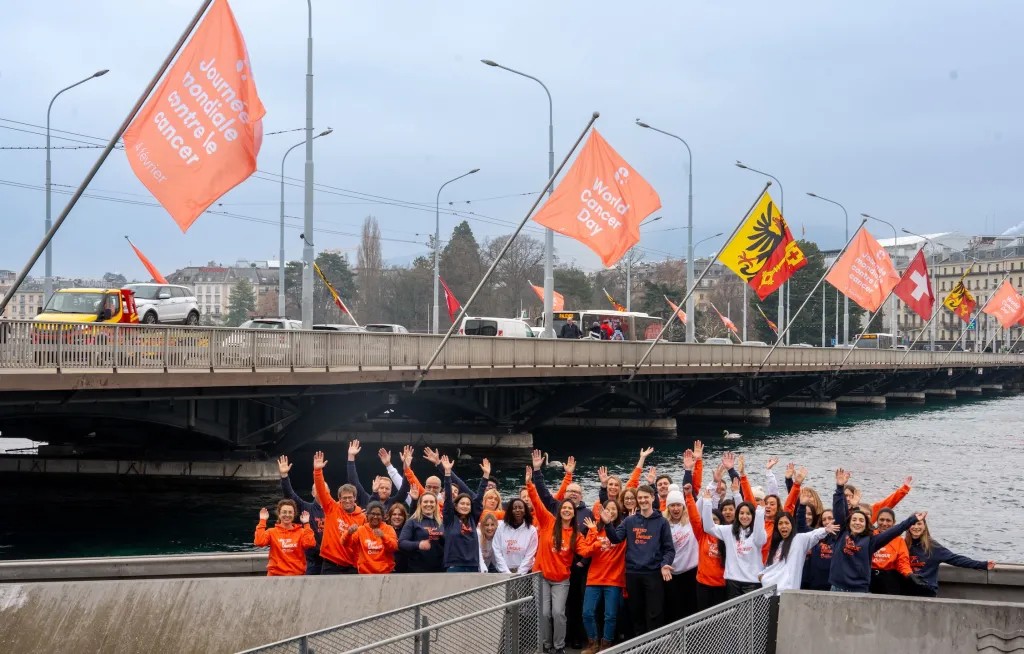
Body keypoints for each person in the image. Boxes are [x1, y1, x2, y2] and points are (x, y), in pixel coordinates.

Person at [829, 468, 922, 593]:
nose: (857, 522)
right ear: (849, 522)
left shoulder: (871, 540)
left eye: (862, 520)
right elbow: (839, 512)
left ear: (869, 521)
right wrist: (839, 487)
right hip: (838, 586)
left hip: (859, 589)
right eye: (854, 520)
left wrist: (912, 519)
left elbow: (893, 530)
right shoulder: (842, 532)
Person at [602, 485, 674, 636]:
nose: (642, 500)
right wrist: (608, 525)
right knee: (636, 612)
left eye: (645, 497)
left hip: (653, 573)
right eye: (640, 498)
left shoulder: (662, 522)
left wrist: (665, 564)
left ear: (652, 498)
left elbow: (669, 549)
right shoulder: (630, 521)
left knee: (654, 612)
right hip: (633, 573)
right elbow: (615, 538)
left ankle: (654, 646)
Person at [525, 466, 583, 654]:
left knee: (558, 613)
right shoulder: (548, 522)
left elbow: (587, 550)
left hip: (561, 580)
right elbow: (538, 502)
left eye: (570, 508)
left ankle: (559, 646)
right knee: (544, 613)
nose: (566, 510)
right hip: (541, 575)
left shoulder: (576, 534)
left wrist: (602, 540)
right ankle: (545, 644)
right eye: (564, 507)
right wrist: (530, 484)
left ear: (574, 513)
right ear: (560, 511)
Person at [700, 488, 766, 598]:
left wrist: (759, 514)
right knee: (735, 614)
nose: (744, 516)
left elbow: (759, 541)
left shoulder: (758, 532)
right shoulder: (729, 530)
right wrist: (707, 503)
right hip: (732, 580)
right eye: (741, 513)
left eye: (748, 514)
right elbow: (708, 527)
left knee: (751, 614)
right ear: (737, 515)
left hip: (752, 582)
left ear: (753, 516)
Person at [904, 517, 995, 597]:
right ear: (908, 526)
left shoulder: (933, 547)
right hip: (908, 587)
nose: (916, 527)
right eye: (913, 524)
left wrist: (982, 565)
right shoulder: (903, 545)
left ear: (924, 527)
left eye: (919, 524)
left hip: (926, 588)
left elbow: (955, 559)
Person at [579, 502, 625, 654]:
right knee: (587, 613)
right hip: (594, 579)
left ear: (618, 512)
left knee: (610, 615)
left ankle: (606, 644)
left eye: (614, 509)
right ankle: (593, 643)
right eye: (608, 509)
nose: (611, 512)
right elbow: (585, 552)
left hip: (613, 579)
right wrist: (596, 542)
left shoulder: (622, 531)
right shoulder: (595, 530)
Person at [313, 449, 366, 574]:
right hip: (330, 563)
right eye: (344, 498)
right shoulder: (331, 508)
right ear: (339, 499)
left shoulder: (362, 517)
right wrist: (317, 471)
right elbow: (321, 490)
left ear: (355, 498)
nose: (347, 500)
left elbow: (361, 542)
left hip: (351, 565)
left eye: (350, 497)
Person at [760, 512, 837, 593]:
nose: (783, 526)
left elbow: (813, 535)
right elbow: (771, 568)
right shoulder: (776, 546)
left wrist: (825, 530)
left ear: (792, 525)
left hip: (789, 593)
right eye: (780, 523)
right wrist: (762, 576)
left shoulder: (798, 539)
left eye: (787, 523)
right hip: (771, 594)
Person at [277, 454, 325, 575]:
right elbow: (290, 495)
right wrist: (284, 476)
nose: (321, 492)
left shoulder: (335, 509)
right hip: (311, 560)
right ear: (313, 493)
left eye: (324, 489)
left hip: (331, 559)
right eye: (317, 490)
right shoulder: (306, 508)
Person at [663, 484, 699, 621]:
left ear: (683, 506)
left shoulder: (691, 521)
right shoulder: (663, 523)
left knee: (691, 608)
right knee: (674, 608)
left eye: (678, 505)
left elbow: (707, 502)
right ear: (668, 507)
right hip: (672, 572)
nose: (675, 508)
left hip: (691, 571)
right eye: (672, 505)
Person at [254, 500, 316, 576]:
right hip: (275, 576)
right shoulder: (271, 532)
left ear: (294, 515)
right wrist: (262, 521)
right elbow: (259, 542)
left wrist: (306, 524)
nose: (287, 515)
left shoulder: (301, 532)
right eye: (284, 512)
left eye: (290, 512)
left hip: (297, 576)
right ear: (279, 514)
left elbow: (310, 544)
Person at [441, 455, 481, 572]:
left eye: (468, 504)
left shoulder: (473, 520)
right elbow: (448, 498)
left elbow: (478, 501)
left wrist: (485, 477)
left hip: (473, 565)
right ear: (456, 505)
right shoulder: (450, 520)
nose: (465, 506)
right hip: (454, 564)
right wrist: (447, 473)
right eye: (462, 504)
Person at [342, 501, 399, 574]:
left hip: (385, 573)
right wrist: (348, 533)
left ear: (382, 516)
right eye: (373, 514)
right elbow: (345, 543)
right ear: (367, 515)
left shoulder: (388, 529)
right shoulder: (361, 530)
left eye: (378, 514)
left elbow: (394, 547)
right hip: (365, 573)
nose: (375, 517)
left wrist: (383, 536)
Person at [399, 490, 445, 573]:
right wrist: (418, 544)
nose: (428, 504)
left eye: (431, 502)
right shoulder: (412, 522)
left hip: (440, 570)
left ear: (436, 504)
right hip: (418, 570)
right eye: (425, 502)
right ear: (420, 504)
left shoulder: (441, 522)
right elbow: (402, 543)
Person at [870, 508, 912, 594]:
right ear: (877, 521)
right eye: (881, 520)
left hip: (889, 579)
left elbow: (903, 561)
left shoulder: (899, 540)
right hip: (869, 576)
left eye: (888, 520)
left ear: (894, 522)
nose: (884, 523)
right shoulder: (869, 536)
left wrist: (909, 574)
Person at [492, 498, 538, 575]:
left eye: (520, 508)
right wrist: (506, 572)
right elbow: (497, 550)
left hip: (524, 574)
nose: (517, 510)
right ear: (510, 510)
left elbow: (529, 556)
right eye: (514, 508)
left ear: (525, 511)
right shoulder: (501, 527)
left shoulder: (531, 530)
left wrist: (519, 574)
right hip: (503, 573)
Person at [387, 501, 410, 573]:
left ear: (404, 517)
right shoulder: (385, 529)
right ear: (390, 516)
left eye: (400, 515)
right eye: (394, 514)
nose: (397, 517)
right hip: (387, 569)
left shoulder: (408, 531)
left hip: (405, 569)